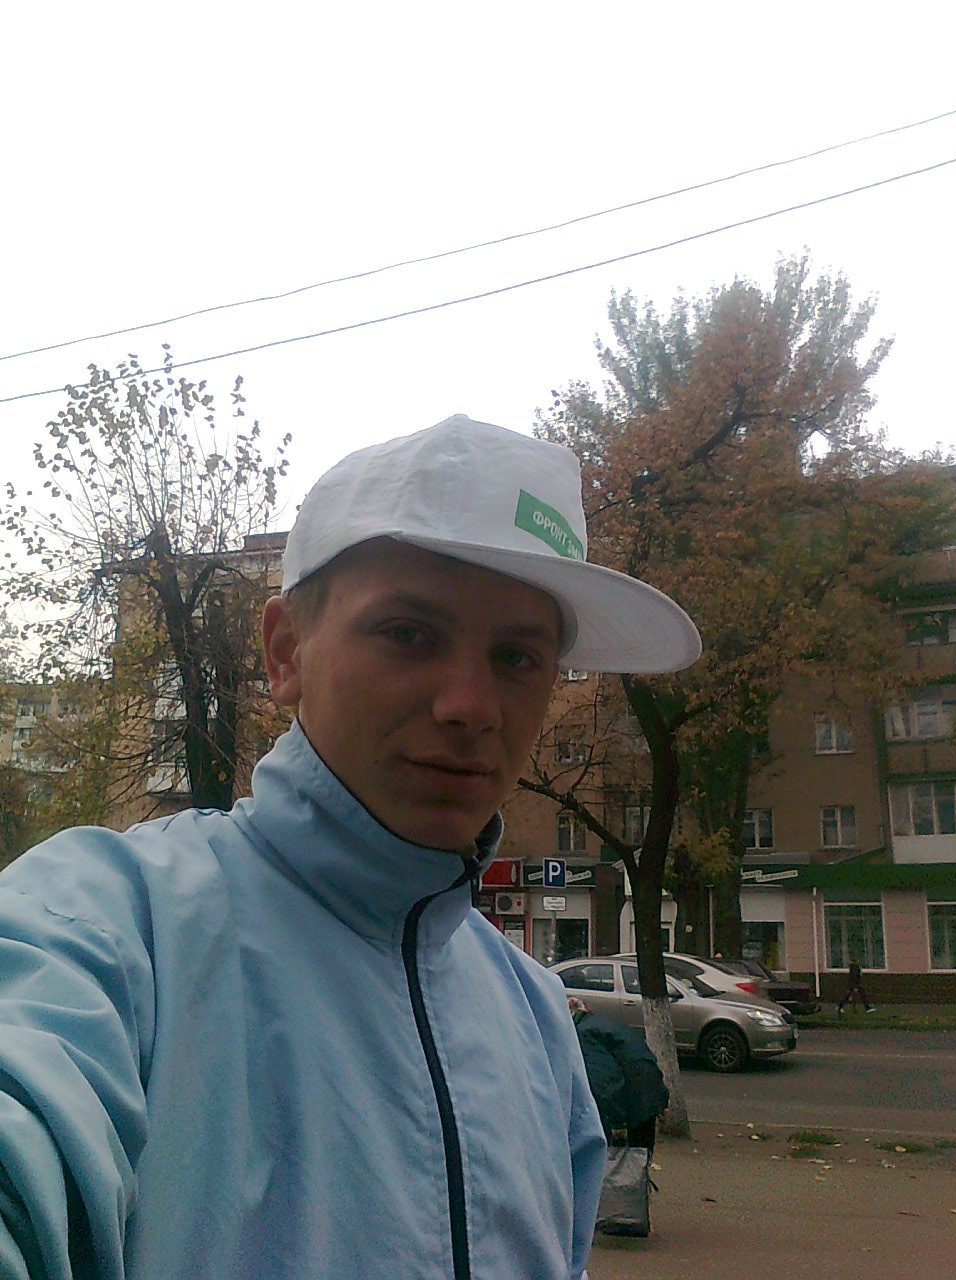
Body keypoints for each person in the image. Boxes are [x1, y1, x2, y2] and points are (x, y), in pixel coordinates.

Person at [0, 414, 701, 1279]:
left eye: (518, 657)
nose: (470, 705)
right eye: (410, 634)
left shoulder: (533, 1016)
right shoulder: (111, 922)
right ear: (285, 652)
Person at [567, 998, 669, 1238]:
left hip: (632, 1102)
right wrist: (660, 1101)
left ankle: (619, 1219)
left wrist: (617, 1123)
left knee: (620, 1159)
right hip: (647, 1096)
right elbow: (641, 1058)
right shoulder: (603, 1024)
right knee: (636, 1162)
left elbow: (606, 1080)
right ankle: (631, 1217)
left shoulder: (583, 1036)